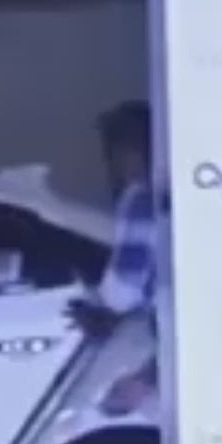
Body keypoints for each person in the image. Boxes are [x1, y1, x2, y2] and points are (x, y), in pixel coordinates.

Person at [68, 98, 157, 339]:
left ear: (131, 151)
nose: (109, 163)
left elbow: (125, 288)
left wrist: (96, 305)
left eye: (111, 151)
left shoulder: (140, 198)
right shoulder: (172, 191)